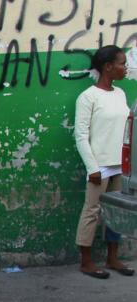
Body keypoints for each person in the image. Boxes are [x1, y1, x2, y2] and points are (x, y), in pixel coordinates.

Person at [74, 45, 135, 279]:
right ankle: (86, 261)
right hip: (99, 166)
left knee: (116, 214)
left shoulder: (119, 94)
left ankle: (113, 258)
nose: (125, 67)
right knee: (92, 211)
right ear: (108, 67)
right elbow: (81, 135)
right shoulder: (88, 97)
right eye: (121, 63)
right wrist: (93, 168)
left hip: (121, 165)